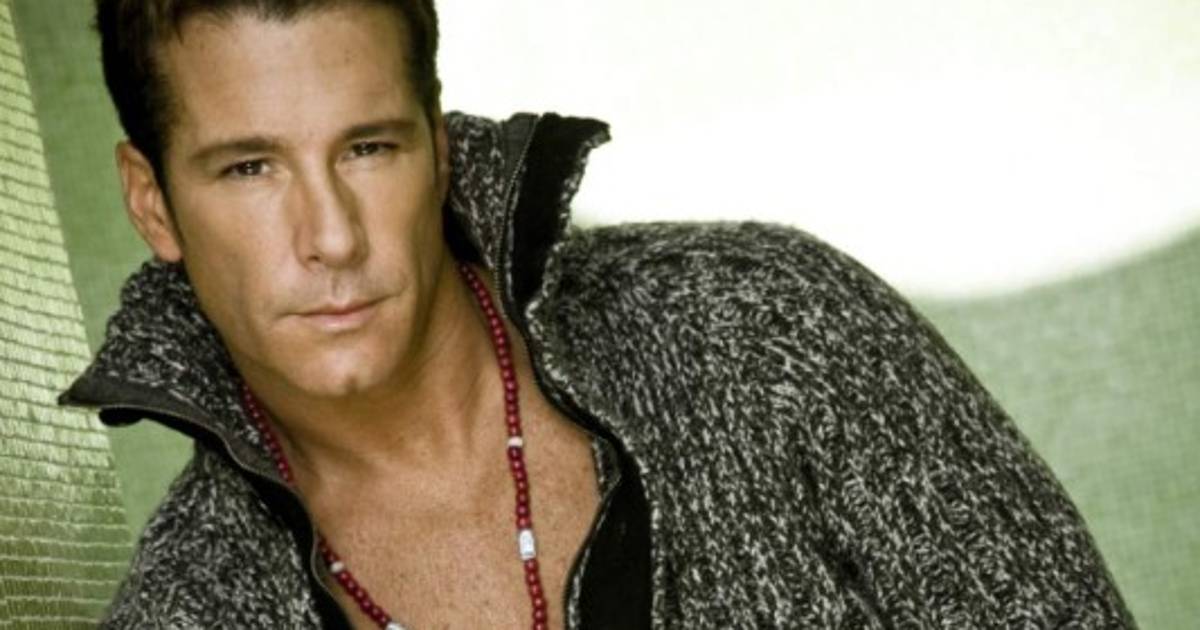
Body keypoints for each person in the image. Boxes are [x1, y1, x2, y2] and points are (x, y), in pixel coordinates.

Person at [61, 0, 1135, 628]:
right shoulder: (188, 610)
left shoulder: (764, 326)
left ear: (440, 147)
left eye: (368, 148)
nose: (331, 237)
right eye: (249, 168)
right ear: (152, 203)